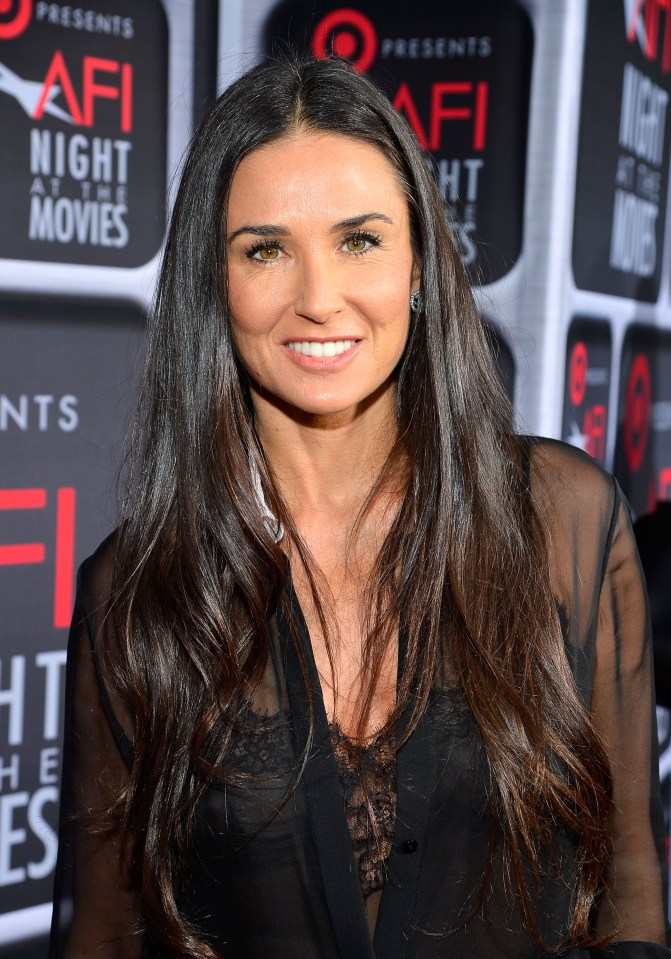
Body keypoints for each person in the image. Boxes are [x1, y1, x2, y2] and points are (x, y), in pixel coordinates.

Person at [49, 56, 669, 959]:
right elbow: (104, 937)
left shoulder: (564, 524)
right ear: (213, 286)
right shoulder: (139, 590)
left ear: (416, 260)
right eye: (266, 249)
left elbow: (628, 910)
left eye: (359, 240)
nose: (317, 297)